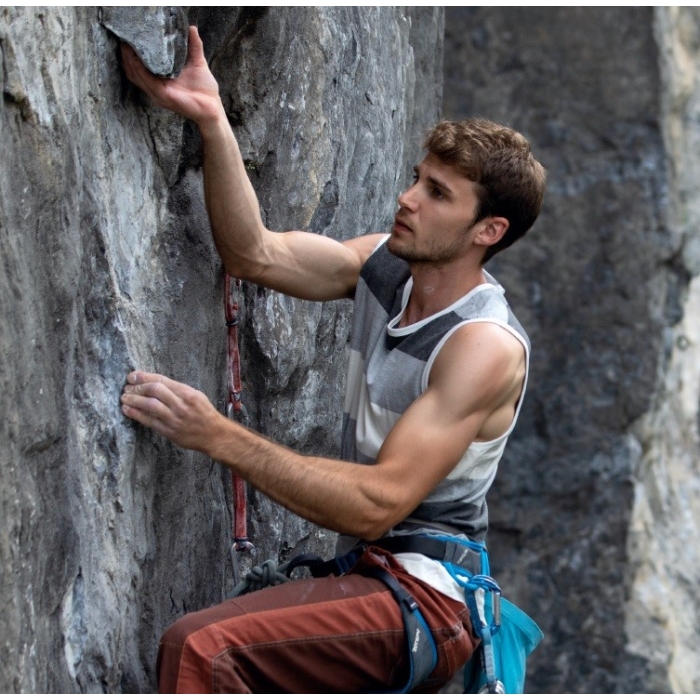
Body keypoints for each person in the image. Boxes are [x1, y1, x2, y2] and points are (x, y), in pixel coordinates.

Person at [120, 26, 546, 694]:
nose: (408, 198)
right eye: (416, 179)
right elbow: (255, 254)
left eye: (438, 193)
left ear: (487, 232)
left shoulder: (481, 345)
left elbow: (378, 503)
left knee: (205, 648)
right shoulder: (385, 269)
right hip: (373, 574)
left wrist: (215, 435)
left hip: (427, 598)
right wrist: (211, 120)